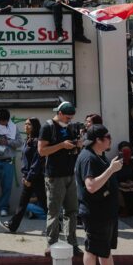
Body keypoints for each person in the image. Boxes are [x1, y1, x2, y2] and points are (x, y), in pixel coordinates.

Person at [74, 125, 133, 265]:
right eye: (108, 136)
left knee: (104, 250)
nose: (111, 139)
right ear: (98, 140)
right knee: (92, 249)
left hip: (106, 212)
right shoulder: (88, 158)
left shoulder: (98, 156)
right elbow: (91, 186)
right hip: (95, 212)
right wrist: (111, 169)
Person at [38, 102, 83, 255]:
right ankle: (52, 244)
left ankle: (72, 244)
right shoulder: (47, 127)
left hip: (70, 173)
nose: (70, 120)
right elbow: (42, 151)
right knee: (54, 211)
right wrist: (61, 145)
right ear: (60, 113)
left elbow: (74, 146)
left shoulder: (71, 127)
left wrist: (78, 145)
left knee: (72, 211)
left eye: (71, 118)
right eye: (68, 117)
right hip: (54, 175)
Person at [0, 118, 47, 233]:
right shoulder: (28, 140)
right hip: (29, 176)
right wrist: (25, 175)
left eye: (29, 124)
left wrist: (29, 178)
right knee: (30, 202)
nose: (26, 126)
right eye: (25, 124)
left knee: (41, 202)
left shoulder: (37, 141)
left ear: (35, 126)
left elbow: (37, 161)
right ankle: (12, 225)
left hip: (35, 177)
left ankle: (12, 225)